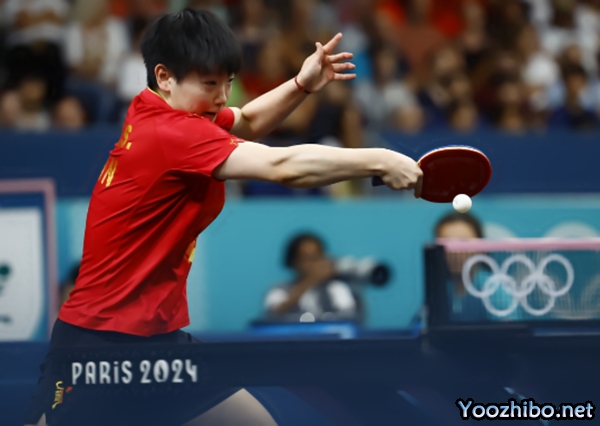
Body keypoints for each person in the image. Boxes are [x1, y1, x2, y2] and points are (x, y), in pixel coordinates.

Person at [24, 8, 422, 426]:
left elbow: (245, 120)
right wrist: (379, 159)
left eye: (228, 82)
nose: (222, 96)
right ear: (164, 76)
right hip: (97, 344)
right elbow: (283, 166)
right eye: (210, 84)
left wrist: (301, 84)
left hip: (158, 340)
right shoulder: (173, 134)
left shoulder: (153, 108)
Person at [264, 233, 364, 323]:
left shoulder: (336, 288)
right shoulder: (279, 289)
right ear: (293, 261)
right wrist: (310, 280)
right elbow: (272, 314)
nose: (313, 264)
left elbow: (350, 317)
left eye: (317, 258)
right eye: (306, 259)